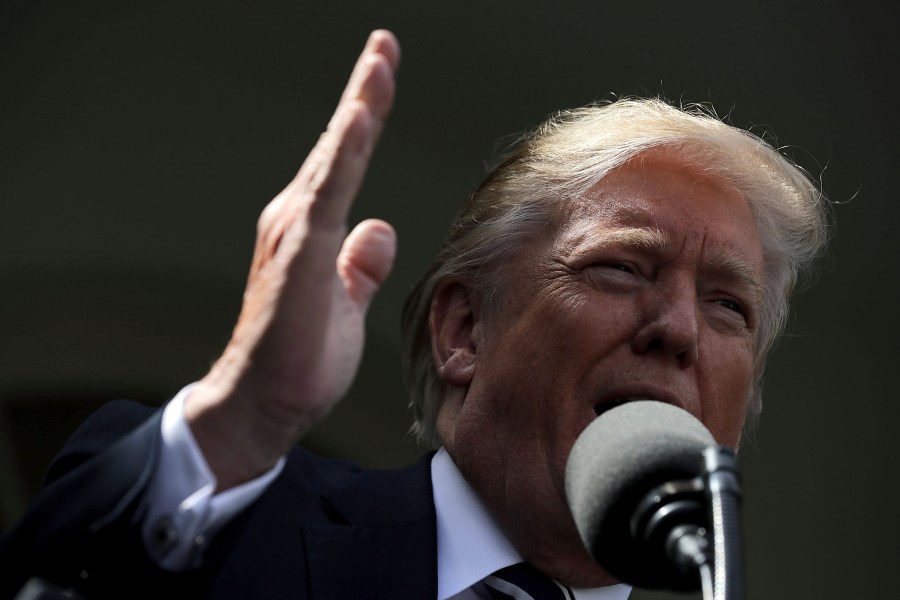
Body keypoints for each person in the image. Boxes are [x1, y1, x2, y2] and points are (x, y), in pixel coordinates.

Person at [0, 29, 826, 599]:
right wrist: (241, 421)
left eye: (728, 306)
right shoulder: (237, 528)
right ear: (464, 330)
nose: (679, 329)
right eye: (621, 268)